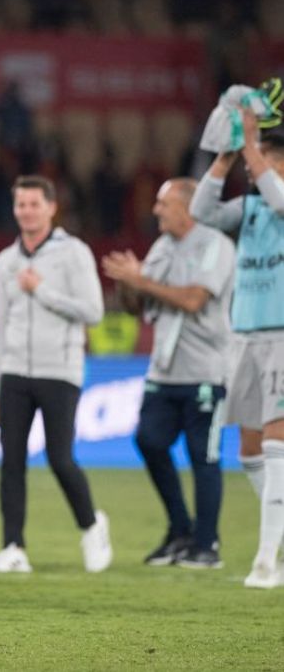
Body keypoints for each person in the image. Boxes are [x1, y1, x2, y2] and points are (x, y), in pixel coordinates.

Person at [102, 178, 234, 569]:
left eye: (163, 204)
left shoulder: (216, 245)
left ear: (188, 207)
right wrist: (128, 285)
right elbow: (135, 307)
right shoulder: (162, 246)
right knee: (149, 440)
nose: (156, 210)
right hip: (164, 369)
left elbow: (194, 299)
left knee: (202, 457)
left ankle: (207, 545)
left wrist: (141, 280)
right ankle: (180, 529)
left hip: (205, 370)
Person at [0, 175, 111, 574]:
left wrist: (42, 291)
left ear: (51, 207)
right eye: (20, 204)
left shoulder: (74, 252)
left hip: (60, 371)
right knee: (12, 462)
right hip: (13, 373)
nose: (26, 211)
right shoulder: (6, 260)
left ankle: (91, 526)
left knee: (60, 459)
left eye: (33, 204)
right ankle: (13, 546)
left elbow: (94, 311)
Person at [191, 117, 284, 589]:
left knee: (275, 444)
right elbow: (201, 212)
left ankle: (268, 559)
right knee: (250, 449)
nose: (252, 169)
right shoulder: (248, 207)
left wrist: (249, 143)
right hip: (243, 337)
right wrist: (225, 156)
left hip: (283, 338)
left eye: (262, 159)